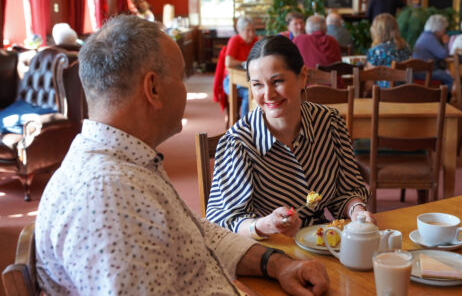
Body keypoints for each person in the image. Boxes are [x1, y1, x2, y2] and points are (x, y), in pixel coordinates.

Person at [35, 15, 329, 295]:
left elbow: (200, 233)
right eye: (180, 76)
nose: (186, 88)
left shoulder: (127, 163)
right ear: (153, 88)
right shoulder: (108, 196)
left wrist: (277, 265)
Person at [206, 35, 374, 239]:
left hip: (323, 241)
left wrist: (356, 210)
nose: (268, 94)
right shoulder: (239, 142)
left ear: (303, 76)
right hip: (271, 249)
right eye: (257, 84)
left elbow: (348, 189)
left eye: (277, 82)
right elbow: (222, 220)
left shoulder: (330, 123)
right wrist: (266, 225)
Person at [223, 16, 258, 118]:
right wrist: (244, 62)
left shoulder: (255, 40)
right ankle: (245, 125)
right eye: (248, 30)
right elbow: (228, 63)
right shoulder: (235, 40)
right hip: (230, 81)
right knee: (250, 94)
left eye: (253, 30)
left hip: (249, 80)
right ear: (240, 31)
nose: (252, 34)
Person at [366, 13, 411, 88]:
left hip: (383, 96)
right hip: (405, 93)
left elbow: (370, 81)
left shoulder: (376, 51)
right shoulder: (405, 48)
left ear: (377, 32)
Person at [412, 14, 454, 90]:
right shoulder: (430, 37)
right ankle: (445, 99)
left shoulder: (426, 35)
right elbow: (443, 54)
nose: (445, 31)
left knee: (445, 75)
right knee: (449, 78)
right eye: (444, 28)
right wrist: (446, 42)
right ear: (438, 28)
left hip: (422, 70)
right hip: (423, 72)